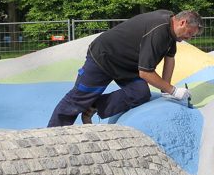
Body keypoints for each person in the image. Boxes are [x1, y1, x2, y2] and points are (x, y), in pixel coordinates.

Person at [47, 9, 202, 128]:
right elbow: (145, 72)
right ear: (182, 23)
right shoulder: (159, 30)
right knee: (79, 98)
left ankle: (93, 106)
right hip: (104, 57)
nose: (188, 38)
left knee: (140, 93)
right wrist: (173, 90)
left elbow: (170, 58)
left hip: (127, 65)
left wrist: (166, 90)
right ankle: (53, 134)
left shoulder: (172, 30)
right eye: (189, 33)